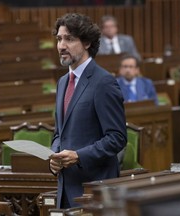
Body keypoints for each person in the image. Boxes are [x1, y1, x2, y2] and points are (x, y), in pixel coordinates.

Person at [49, 13, 127, 209]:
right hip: (66, 189)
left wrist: (79, 156)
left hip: (94, 190)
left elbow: (117, 137)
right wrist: (54, 157)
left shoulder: (103, 82)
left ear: (87, 43)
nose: (61, 46)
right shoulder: (62, 82)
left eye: (69, 39)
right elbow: (60, 132)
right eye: (59, 39)